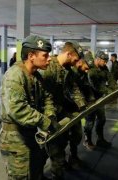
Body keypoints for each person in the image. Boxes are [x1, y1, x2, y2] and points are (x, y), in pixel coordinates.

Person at [0, 35, 58, 179]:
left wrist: (50, 114)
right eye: (45, 55)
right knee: (21, 176)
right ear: (31, 56)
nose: (49, 58)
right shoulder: (14, 76)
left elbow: (47, 98)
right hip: (15, 138)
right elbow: (18, 110)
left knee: (37, 168)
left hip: (30, 133)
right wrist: (46, 122)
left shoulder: (36, 75)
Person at [40, 41, 86, 179]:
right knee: (51, 150)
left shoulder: (68, 70)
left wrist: (82, 104)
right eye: (76, 59)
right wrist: (47, 119)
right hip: (46, 115)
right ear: (69, 53)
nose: (76, 62)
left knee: (64, 140)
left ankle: (59, 166)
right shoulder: (48, 68)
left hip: (59, 111)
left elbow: (73, 88)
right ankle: (53, 173)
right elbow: (41, 96)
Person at [83, 51, 118, 150]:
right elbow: (96, 86)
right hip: (90, 99)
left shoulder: (104, 68)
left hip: (100, 99)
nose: (105, 63)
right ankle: (87, 140)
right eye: (104, 61)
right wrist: (110, 93)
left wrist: (115, 90)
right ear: (97, 59)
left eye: (106, 61)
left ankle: (100, 139)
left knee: (102, 119)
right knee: (90, 121)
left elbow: (110, 79)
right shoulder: (91, 70)